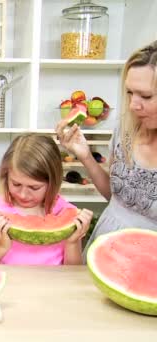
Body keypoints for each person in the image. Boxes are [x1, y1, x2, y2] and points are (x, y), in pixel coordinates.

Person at [56, 41, 157, 252]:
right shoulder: (125, 129)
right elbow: (115, 195)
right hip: (105, 244)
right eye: (129, 93)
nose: (133, 105)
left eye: (146, 96)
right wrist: (84, 155)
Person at [0, 134, 93, 265]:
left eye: (34, 187)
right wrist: (0, 247)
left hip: (52, 285)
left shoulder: (65, 212)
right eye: (16, 184)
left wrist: (72, 242)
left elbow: (73, 275)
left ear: (53, 182)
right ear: (6, 176)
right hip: (7, 285)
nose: (23, 195)